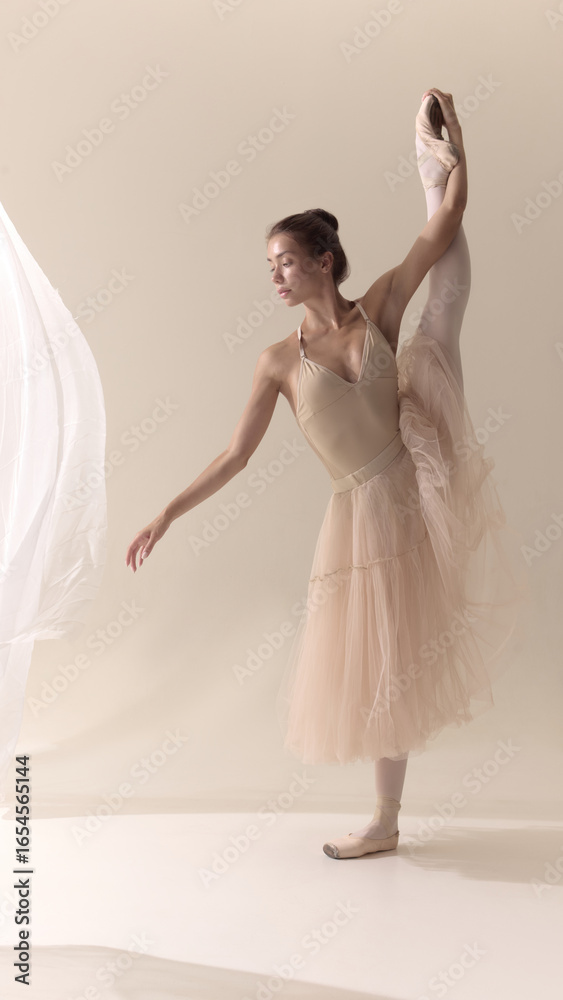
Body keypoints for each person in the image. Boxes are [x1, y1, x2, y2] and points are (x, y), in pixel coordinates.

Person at [126, 89, 526, 859]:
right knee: (382, 663)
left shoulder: (376, 310)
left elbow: (444, 225)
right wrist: (167, 513)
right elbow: (234, 455)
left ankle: (384, 821)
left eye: (285, 261)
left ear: (323, 261)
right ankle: (383, 821)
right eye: (269, 266)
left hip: (412, 490)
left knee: (446, 300)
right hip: (356, 519)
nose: (275, 276)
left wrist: (450, 149)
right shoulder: (277, 362)